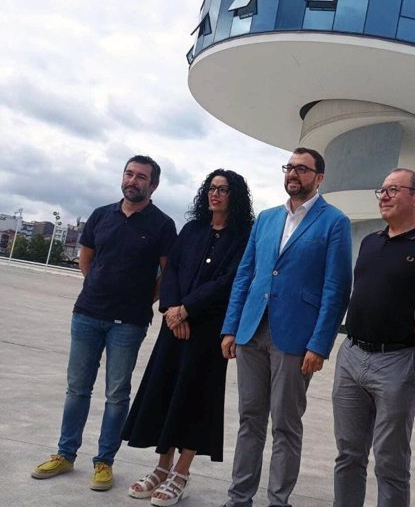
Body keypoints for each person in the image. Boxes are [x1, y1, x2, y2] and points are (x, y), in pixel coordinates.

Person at [31, 155, 177, 491]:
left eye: (141, 177)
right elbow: (87, 259)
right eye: (129, 174)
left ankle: (104, 462)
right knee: (77, 389)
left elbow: (166, 273)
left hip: (128, 322)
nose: (133, 180)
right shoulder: (101, 215)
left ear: (153, 185)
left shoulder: (162, 225)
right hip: (87, 315)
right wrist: (97, 287)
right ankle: (65, 454)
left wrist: (144, 300)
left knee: (116, 394)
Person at [219, 147, 352, 507]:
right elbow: (245, 275)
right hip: (251, 332)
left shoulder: (334, 222)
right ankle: (239, 497)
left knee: (285, 425)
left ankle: (278, 501)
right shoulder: (265, 219)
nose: (293, 174)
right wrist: (231, 326)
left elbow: (336, 287)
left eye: (302, 169)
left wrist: (320, 344)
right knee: (250, 419)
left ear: (319, 178)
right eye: (289, 167)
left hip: (296, 339)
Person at [122, 169, 254, 506]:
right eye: (211, 188)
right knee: (164, 393)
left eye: (223, 190)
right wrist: (171, 308)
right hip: (174, 326)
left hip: (208, 332)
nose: (216, 194)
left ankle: (181, 470)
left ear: (234, 195)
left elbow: (228, 280)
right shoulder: (193, 229)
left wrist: (188, 309)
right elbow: (173, 270)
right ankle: (161, 465)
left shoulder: (243, 236)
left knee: (195, 399)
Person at [332, 168, 415, 507]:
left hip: (399, 362)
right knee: (348, 455)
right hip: (351, 356)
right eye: (382, 190)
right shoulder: (370, 242)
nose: (384, 195)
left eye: (394, 189)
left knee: (391, 462)